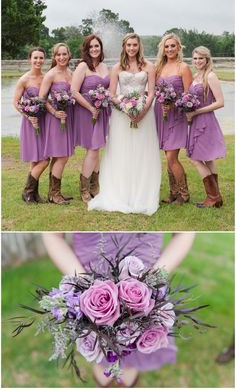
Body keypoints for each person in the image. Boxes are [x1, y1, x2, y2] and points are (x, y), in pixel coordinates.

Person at [42, 232, 195, 388]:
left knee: (133, 351)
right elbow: (52, 234)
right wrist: (83, 282)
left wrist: (153, 278)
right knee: (101, 355)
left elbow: (184, 232)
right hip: (89, 270)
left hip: (143, 279)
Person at [88, 33, 161, 216]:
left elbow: (151, 92)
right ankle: (122, 193)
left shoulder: (149, 66)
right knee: (123, 152)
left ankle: (142, 194)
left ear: (139, 46)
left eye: (134, 45)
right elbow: (111, 94)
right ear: (124, 46)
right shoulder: (117, 67)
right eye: (128, 45)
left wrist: (142, 111)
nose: (131, 48)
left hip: (145, 115)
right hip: (122, 116)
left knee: (143, 153)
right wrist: (125, 108)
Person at [71, 35, 110, 203]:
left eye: (97, 46)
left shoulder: (104, 66)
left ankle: (95, 186)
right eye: (91, 47)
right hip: (86, 112)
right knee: (93, 149)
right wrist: (91, 108)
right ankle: (84, 188)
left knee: (97, 148)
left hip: (101, 112)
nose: (94, 49)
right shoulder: (82, 66)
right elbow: (74, 91)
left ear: (101, 48)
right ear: (86, 49)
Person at [154, 33, 192, 204]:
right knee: (167, 155)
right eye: (167, 46)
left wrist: (174, 104)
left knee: (172, 157)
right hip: (161, 115)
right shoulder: (159, 68)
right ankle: (173, 192)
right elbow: (154, 90)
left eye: (173, 46)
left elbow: (189, 97)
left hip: (177, 116)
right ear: (163, 48)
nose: (169, 49)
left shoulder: (183, 67)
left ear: (178, 47)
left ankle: (184, 194)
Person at [186, 46, 226, 208]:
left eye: (201, 58)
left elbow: (220, 102)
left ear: (207, 59)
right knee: (207, 159)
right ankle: (216, 197)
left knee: (194, 159)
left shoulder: (211, 76)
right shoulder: (196, 76)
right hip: (195, 121)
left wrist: (196, 112)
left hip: (206, 121)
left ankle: (213, 197)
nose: (197, 61)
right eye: (195, 58)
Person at [13, 47, 49, 203]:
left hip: (45, 122)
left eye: (41, 58)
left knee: (44, 157)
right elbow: (15, 102)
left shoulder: (46, 77)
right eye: (35, 58)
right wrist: (28, 116)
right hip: (30, 123)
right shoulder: (24, 79)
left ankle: (31, 193)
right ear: (30, 59)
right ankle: (30, 193)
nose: (38, 61)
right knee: (36, 159)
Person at [39, 43, 74, 205]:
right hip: (54, 119)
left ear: (69, 55)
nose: (61, 57)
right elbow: (42, 99)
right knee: (62, 155)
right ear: (54, 57)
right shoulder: (51, 75)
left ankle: (53, 193)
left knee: (60, 155)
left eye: (64, 54)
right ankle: (55, 193)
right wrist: (54, 112)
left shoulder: (71, 73)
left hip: (67, 119)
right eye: (58, 55)